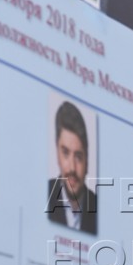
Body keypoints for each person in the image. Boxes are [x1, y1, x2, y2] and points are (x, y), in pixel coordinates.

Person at [44, 100, 97, 233]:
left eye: (78, 156)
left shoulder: (98, 207)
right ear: (57, 153)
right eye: (66, 153)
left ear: (87, 160)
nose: (72, 168)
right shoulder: (42, 194)